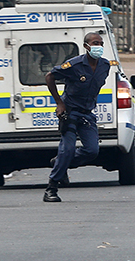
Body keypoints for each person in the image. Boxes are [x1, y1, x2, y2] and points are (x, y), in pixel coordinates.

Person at [43, 32, 112, 202]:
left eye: (101, 43)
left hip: (87, 114)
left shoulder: (105, 65)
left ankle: (60, 162)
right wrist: (59, 103)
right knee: (67, 149)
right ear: (86, 46)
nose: (99, 47)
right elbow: (50, 76)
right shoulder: (74, 65)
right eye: (95, 43)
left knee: (92, 151)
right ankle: (51, 188)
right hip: (70, 112)